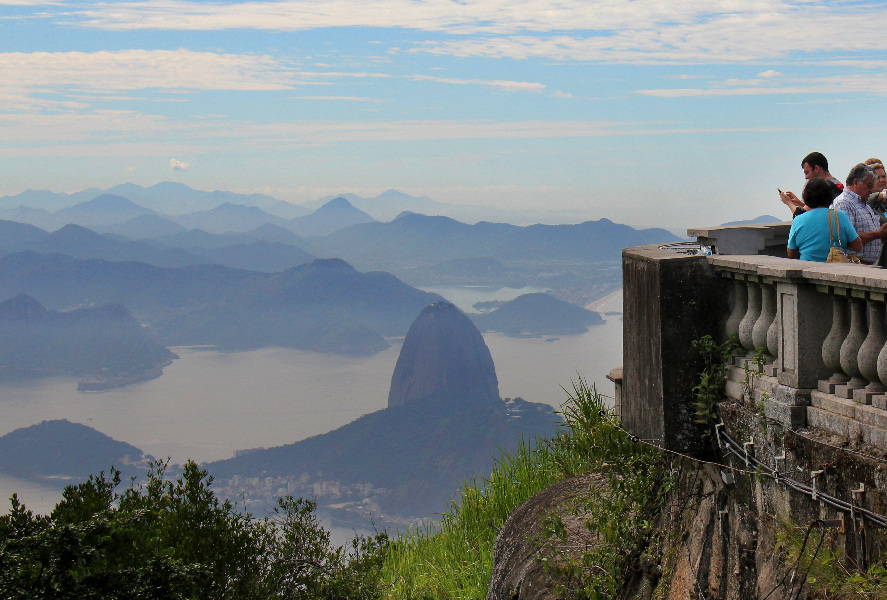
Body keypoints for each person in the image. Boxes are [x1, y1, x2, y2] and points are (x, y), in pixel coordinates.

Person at [787, 178, 861, 262]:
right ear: (830, 196)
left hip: (807, 267)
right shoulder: (839, 215)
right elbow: (858, 246)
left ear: (806, 197)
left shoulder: (798, 219)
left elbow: (790, 253)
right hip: (835, 267)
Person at [831, 163, 887, 264]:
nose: (871, 190)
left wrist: (882, 236)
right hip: (854, 265)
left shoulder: (864, 204)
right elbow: (847, 238)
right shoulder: (844, 203)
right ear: (856, 182)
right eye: (869, 185)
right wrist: (878, 234)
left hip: (867, 265)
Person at [780, 151, 844, 217]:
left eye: (807, 173)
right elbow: (820, 209)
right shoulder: (837, 185)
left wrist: (788, 202)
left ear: (817, 168)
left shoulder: (823, 188)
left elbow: (800, 216)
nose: (806, 177)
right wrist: (800, 204)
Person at [865, 158, 887, 224]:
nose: (882, 180)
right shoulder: (865, 200)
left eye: (883, 177)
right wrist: (884, 194)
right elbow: (870, 199)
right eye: (877, 178)